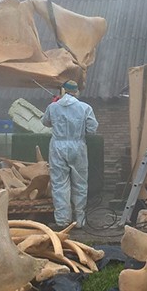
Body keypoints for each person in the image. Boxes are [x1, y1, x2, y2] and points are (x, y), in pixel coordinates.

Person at [42, 79, 99, 229]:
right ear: (76, 92)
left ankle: (62, 221)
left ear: (62, 91)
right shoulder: (85, 107)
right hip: (78, 146)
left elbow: (45, 123)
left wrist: (54, 105)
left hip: (58, 147)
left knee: (60, 184)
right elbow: (92, 128)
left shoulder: (53, 107)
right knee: (80, 183)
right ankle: (80, 220)